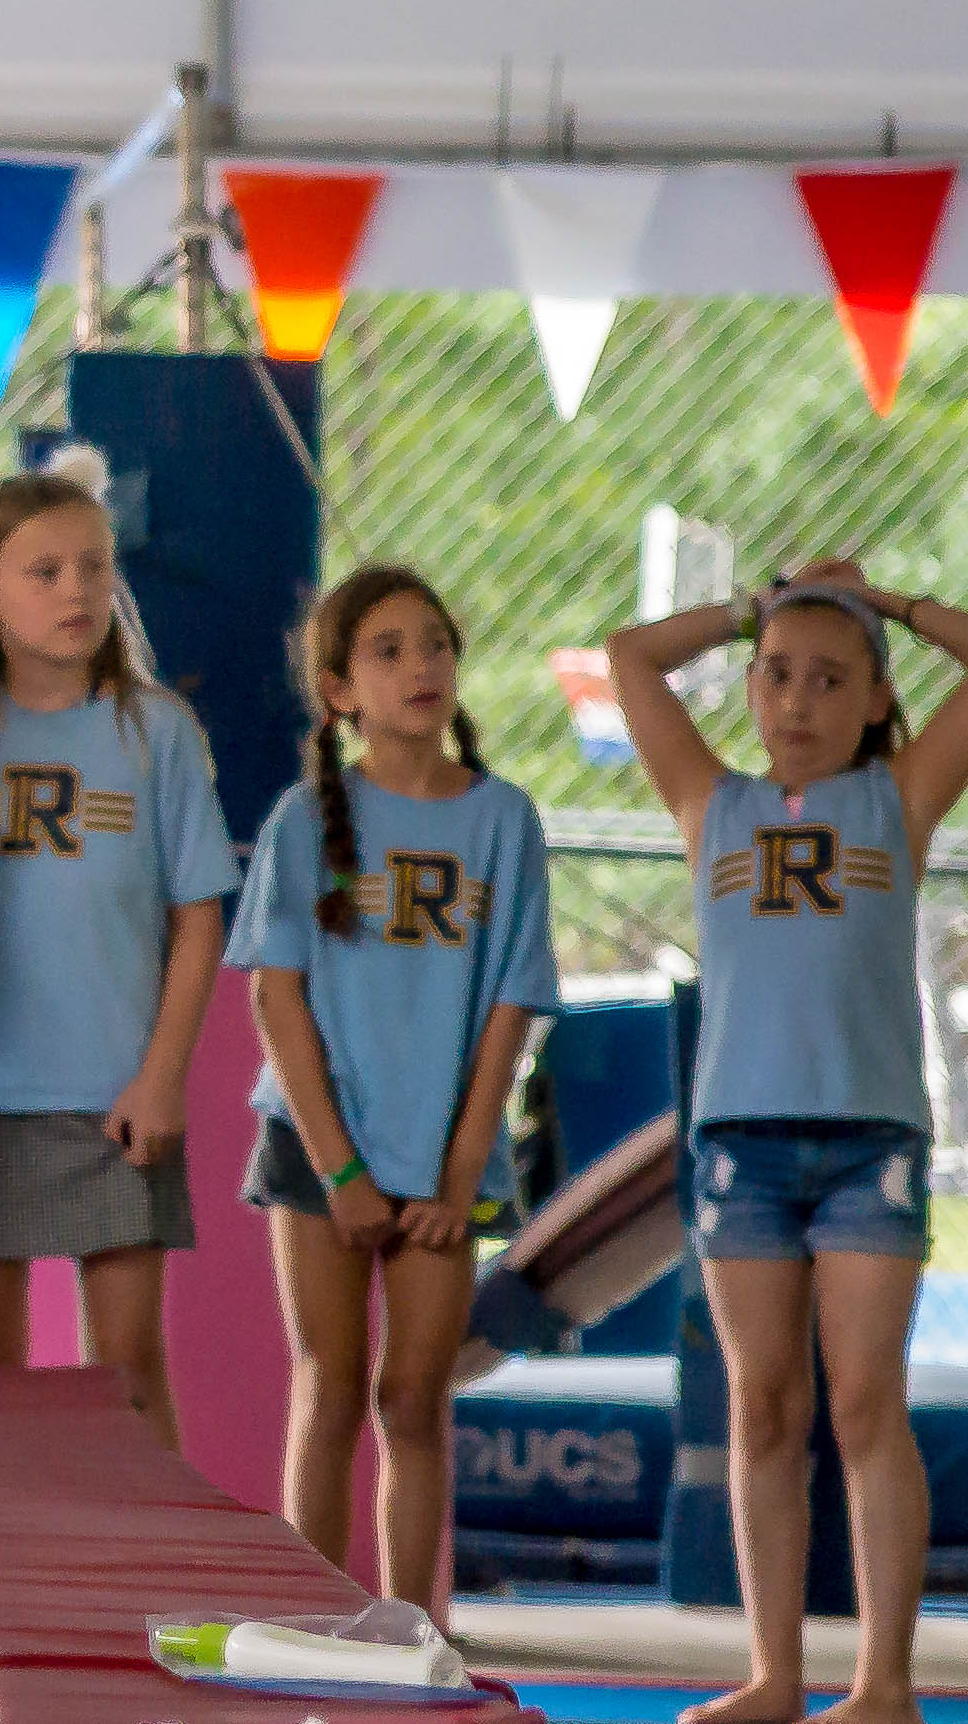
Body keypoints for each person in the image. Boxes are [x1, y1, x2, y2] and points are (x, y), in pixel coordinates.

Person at [603, 558, 968, 1724]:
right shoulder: (711, 802)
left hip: (867, 1147)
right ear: (749, 687)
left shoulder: (901, 798)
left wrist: (883, 602)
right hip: (740, 1148)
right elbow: (631, 656)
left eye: (831, 680)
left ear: (877, 700)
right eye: (777, 674)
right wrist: (760, 601)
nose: (798, 702)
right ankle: (776, 1676)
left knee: (864, 1402)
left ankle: (885, 1683)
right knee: (762, 1407)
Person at [231, 564, 555, 1613]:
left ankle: (418, 1630)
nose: (421, 665)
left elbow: (511, 1002)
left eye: (436, 644)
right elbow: (278, 1000)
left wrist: (460, 1174)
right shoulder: (301, 821)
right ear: (339, 691)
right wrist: (340, 1171)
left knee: (414, 1399)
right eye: (389, 650)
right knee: (327, 1387)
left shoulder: (503, 819)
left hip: (444, 1150)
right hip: (321, 1145)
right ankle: (313, 1623)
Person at [0, 463, 235, 1442]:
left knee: (127, 1370)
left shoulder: (156, 729)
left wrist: (161, 1077)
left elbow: (198, 918)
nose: (76, 591)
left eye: (93, 567)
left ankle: (150, 1543)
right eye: (44, 572)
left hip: (115, 1095)